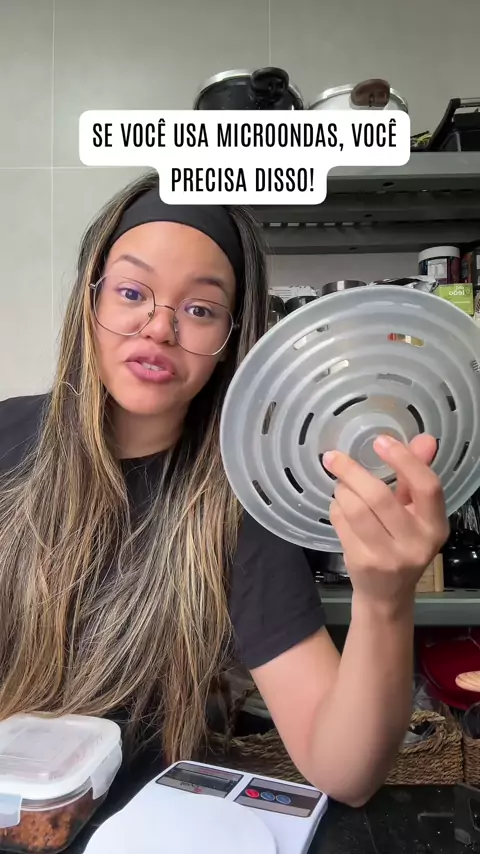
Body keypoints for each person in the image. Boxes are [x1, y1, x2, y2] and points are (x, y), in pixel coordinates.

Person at [0, 170, 448, 808]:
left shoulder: (241, 502)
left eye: (201, 310)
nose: (160, 328)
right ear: (89, 302)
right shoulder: (6, 439)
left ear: (232, 340)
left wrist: (385, 599)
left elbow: (344, 773)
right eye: (131, 292)